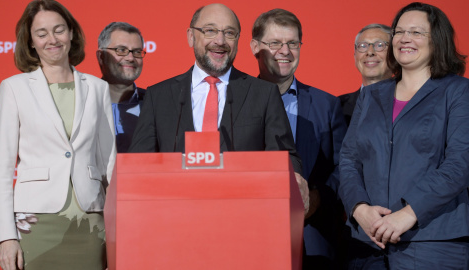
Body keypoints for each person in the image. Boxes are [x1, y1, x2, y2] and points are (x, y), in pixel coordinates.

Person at [129, 3, 309, 213]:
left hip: (244, 220)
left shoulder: (263, 94)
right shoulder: (159, 96)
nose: (220, 41)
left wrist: (293, 177)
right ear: (190, 36)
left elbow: (285, 156)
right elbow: (138, 165)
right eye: (210, 30)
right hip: (173, 221)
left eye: (229, 33)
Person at [339, 2, 469, 269]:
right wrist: (359, 209)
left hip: (432, 244)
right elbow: (349, 159)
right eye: (399, 32)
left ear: (438, 40)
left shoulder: (458, 92)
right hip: (368, 244)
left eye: (417, 32)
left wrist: (409, 214)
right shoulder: (373, 95)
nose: (405, 39)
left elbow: (459, 164)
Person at [0, 1, 116, 269]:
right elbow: (2, 170)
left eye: (59, 30)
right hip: (34, 223)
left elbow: (109, 164)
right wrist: (6, 237)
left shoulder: (97, 88)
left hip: (91, 223)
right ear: (31, 42)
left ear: (71, 33)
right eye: (42, 33)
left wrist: (120, 226)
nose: (52, 39)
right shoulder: (14, 88)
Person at [250, 9, 346, 269]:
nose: (285, 51)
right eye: (275, 43)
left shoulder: (327, 105)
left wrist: (316, 199)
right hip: (249, 238)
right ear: (255, 47)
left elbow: (344, 168)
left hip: (313, 240)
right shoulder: (233, 102)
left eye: (293, 43)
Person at [97, 22, 146, 153]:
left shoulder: (155, 105)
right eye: (121, 50)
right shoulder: (81, 102)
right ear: (101, 57)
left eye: (136, 52)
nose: (130, 58)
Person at [338, 24, 392, 126]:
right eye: (363, 46)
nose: (370, 52)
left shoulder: (412, 102)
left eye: (379, 45)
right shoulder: (337, 107)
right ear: (355, 55)